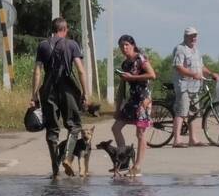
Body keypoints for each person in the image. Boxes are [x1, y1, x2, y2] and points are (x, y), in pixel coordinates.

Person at [30, 17, 93, 179]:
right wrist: (85, 93)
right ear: (65, 30)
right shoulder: (72, 45)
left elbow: (37, 71)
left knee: (52, 130)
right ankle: (67, 157)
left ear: (53, 29)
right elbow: (80, 70)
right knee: (74, 125)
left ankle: (55, 170)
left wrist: (34, 94)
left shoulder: (43, 45)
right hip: (67, 89)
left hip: (49, 90)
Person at [102, 34, 156, 176]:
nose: (124, 48)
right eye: (121, 46)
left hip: (144, 99)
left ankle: (137, 166)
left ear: (133, 45)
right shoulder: (125, 64)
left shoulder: (141, 59)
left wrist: (133, 77)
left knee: (140, 133)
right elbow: (122, 87)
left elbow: (152, 75)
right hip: (132, 99)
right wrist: (117, 107)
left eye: (126, 45)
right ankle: (124, 160)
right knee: (116, 127)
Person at [172, 25, 219, 147]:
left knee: (194, 112)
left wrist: (211, 73)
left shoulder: (196, 50)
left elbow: (201, 67)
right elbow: (178, 67)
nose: (194, 38)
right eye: (191, 36)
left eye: (195, 36)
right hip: (183, 85)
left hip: (195, 86)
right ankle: (177, 140)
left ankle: (193, 139)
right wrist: (193, 74)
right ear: (186, 36)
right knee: (182, 111)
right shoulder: (180, 49)